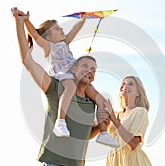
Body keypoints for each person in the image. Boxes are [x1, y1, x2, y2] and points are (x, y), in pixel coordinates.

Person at [12, 7, 109, 166]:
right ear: (74, 68)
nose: (89, 71)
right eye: (85, 66)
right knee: (69, 87)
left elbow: (84, 134)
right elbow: (28, 60)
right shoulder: (56, 87)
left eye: (93, 70)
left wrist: (105, 123)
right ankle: (60, 121)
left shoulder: (90, 102)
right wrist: (22, 22)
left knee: (103, 101)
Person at [23, 9, 119, 148]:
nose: (61, 29)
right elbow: (34, 34)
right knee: (71, 87)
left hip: (76, 74)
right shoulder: (49, 47)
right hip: (63, 74)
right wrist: (26, 21)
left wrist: (82, 20)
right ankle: (60, 121)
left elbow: (75, 30)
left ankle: (103, 133)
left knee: (100, 99)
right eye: (56, 29)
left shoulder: (65, 43)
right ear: (49, 37)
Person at [104, 76, 157, 166]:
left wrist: (115, 121)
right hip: (114, 164)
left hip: (133, 165)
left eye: (130, 84)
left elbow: (133, 144)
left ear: (138, 93)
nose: (125, 85)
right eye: (123, 83)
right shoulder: (114, 112)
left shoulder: (140, 112)